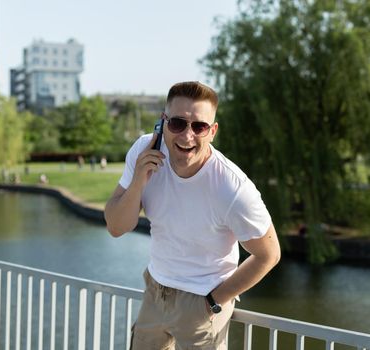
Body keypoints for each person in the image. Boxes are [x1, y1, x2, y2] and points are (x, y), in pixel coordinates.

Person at [104, 81, 280, 349]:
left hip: (202, 300)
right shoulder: (144, 150)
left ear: (213, 131)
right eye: (177, 123)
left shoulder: (231, 187)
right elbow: (116, 227)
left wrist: (213, 300)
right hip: (155, 289)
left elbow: (269, 254)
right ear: (163, 123)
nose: (187, 136)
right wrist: (140, 179)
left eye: (199, 126)